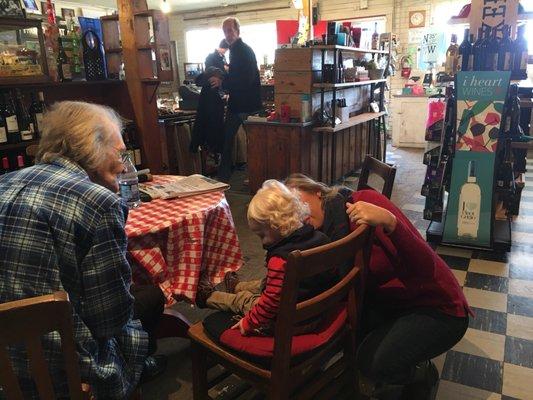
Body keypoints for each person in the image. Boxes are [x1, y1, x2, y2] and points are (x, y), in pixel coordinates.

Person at [0, 101, 166, 399]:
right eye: (120, 152)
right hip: (61, 372)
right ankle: (140, 369)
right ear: (93, 148)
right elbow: (109, 319)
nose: (124, 164)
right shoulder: (98, 202)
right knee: (150, 298)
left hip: (5, 367)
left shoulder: (4, 182)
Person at [285, 174, 470, 400]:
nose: (298, 213)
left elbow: (426, 265)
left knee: (373, 362)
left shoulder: (363, 203)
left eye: (298, 201)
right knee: (350, 336)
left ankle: (420, 373)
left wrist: (390, 221)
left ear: (317, 192)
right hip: (394, 303)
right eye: (290, 210)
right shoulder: (319, 238)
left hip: (438, 305)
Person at [197, 180, 334, 336]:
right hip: (317, 312)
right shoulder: (322, 238)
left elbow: (270, 304)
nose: (262, 242)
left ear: (278, 226)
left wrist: (249, 322)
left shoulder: (281, 260)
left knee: (246, 301)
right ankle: (237, 286)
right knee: (270, 282)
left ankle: (209, 298)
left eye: (262, 235)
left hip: (289, 321)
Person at [209, 17, 262, 182]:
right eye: (225, 31)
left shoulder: (243, 51)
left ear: (237, 31)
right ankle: (224, 177)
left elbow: (245, 79)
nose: (228, 34)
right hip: (238, 104)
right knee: (230, 141)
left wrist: (222, 81)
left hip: (246, 105)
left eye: (230, 30)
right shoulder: (236, 51)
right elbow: (240, 78)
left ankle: (253, 176)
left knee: (252, 144)